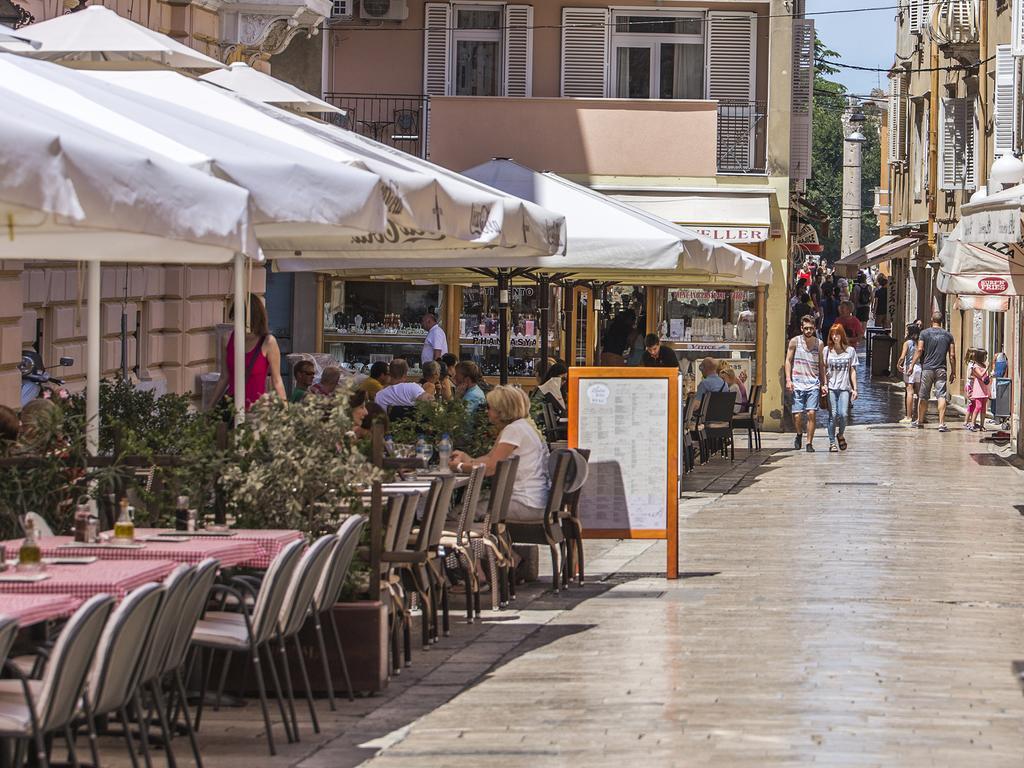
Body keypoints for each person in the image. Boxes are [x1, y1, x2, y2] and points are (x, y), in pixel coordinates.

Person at [448, 386, 550, 522]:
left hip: (525, 502)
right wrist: (467, 460)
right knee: (463, 508)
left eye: (490, 407)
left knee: (458, 514)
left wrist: (459, 466)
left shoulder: (514, 430)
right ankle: (494, 542)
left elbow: (490, 468)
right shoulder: (523, 426)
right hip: (536, 501)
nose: (487, 411)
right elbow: (491, 458)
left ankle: (470, 542)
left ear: (501, 410)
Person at [209, 295, 286, 411]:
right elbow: (224, 376)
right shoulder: (227, 338)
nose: (237, 322)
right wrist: (210, 406)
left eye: (241, 318)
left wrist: (285, 410)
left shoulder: (268, 342)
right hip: (232, 408)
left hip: (256, 411)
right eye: (235, 317)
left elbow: (277, 380)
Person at [908, 311, 956, 431]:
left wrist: (912, 365)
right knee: (941, 395)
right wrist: (953, 370)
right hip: (941, 369)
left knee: (923, 395)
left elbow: (919, 350)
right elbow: (952, 355)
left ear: (931, 320)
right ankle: (941, 423)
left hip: (927, 369)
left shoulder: (924, 333)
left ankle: (919, 420)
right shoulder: (948, 335)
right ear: (942, 321)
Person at [785, 315, 826, 452]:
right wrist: (788, 380)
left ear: (814, 328)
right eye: (806, 328)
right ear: (802, 328)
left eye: (811, 328)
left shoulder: (819, 344)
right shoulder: (794, 342)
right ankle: (798, 434)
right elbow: (788, 361)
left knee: (811, 413)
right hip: (797, 382)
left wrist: (823, 383)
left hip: (813, 383)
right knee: (797, 415)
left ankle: (809, 443)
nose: (808, 331)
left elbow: (821, 364)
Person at [822, 323, 859, 453]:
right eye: (832, 334)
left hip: (844, 387)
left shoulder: (850, 351)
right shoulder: (826, 350)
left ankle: (840, 434)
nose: (835, 337)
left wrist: (855, 388)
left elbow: (852, 370)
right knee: (833, 414)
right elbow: (823, 368)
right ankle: (832, 442)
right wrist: (824, 384)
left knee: (843, 414)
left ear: (841, 335)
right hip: (831, 387)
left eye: (837, 334)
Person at [895, 323, 921, 424]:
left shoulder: (907, 343)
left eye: (907, 331)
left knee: (909, 391)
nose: (906, 332)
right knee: (919, 392)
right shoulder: (919, 342)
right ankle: (919, 415)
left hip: (909, 367)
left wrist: (898, 364)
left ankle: (909, 416)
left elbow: (902, 357)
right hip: (919, 367)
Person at [963, 349, 992, 432]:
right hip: (978, 388)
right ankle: (972, 423)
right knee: (978, 406)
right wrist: (987, 368)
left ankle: (982, 425)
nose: (986, 357)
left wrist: (990, 376)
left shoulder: (983, 365)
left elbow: (985, 378)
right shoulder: (975, 366)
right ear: (980, 357)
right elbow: (981, 375)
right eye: (985, 356)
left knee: (983, 408)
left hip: (984, 388)